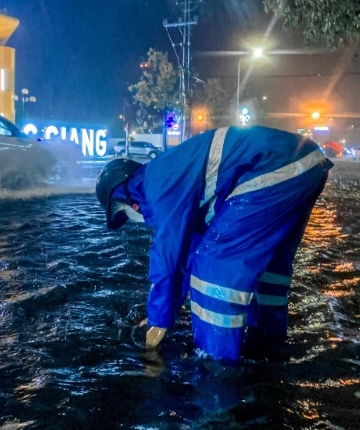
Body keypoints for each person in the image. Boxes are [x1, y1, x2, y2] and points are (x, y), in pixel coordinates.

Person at [95, 125, 333, 363]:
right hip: (305, 164)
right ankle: (269, 345)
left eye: (120, 206)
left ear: (127, 190)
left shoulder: (157, 184)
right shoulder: (175, 176)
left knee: (214, 262)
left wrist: (158, 324)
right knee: (271, 266)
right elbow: (184, 256)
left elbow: (167, 260)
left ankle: (216, 367)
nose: (131, 212)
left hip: (274, 167)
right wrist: (166, 313)